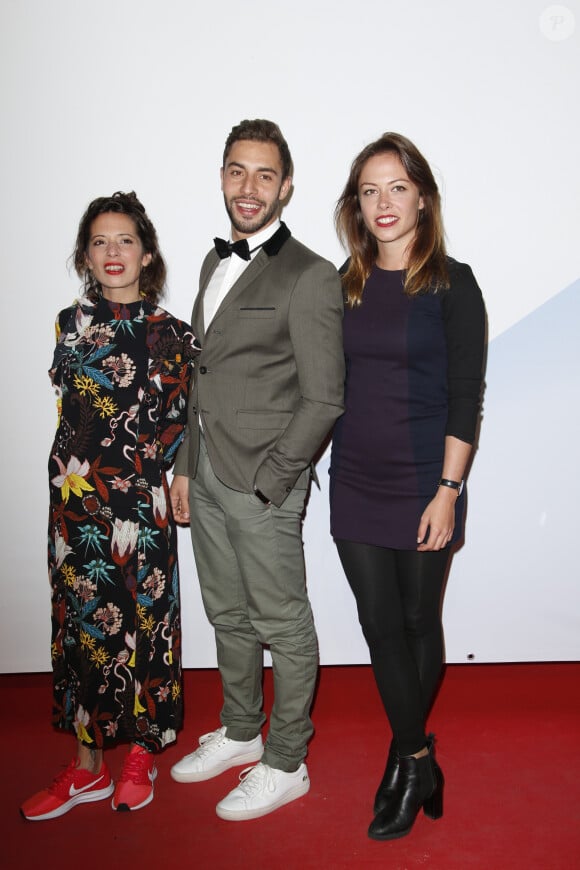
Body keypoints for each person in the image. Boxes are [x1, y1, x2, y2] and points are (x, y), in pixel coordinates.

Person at [169, 119, 345, 821]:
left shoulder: (309, 273)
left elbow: (325, 394)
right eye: (237, 171)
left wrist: (274, 480)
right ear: (221, 177)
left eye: (264, 175)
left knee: (283, 622)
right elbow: (201, 375)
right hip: (207, 472)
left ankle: (287, 760)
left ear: (287, 185)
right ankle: (242, 731)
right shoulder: (215, 264)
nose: (249, 187)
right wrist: (187, 464)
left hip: (263, 482)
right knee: (228, 614)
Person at [21, 192, 196, 821]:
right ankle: (86, 765)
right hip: (73, 507)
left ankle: (141, 756)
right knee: (78, 630)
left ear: (147, 254)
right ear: (85, 255)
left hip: (140, 507)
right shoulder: (67, 326)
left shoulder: (174, 335)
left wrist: (179, 476)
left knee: (144, 626)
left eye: (125, 240)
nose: (112, 252)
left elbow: (187, 424)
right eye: (100, 241)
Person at [330, 133, 485, 840]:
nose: (384, 202)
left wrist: (449, 491)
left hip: (428, 479)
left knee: (420, 622)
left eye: (397, 187)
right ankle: (419, 756)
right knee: (377, 625)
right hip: (357, 477)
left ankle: (406, 759)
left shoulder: (454, 284)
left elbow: (465, 397)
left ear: (422, 195)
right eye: (369, 190)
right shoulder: (344, 283)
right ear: (356, 207)